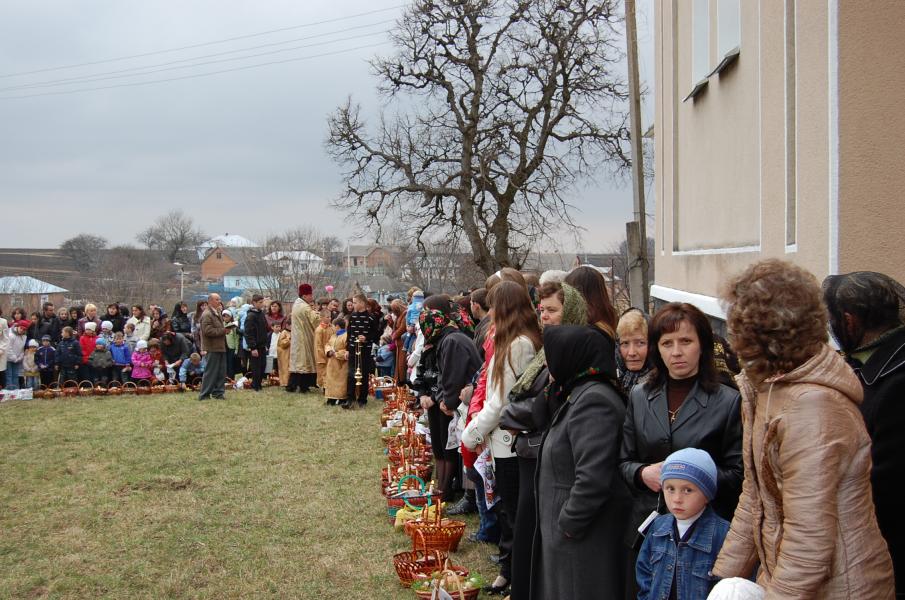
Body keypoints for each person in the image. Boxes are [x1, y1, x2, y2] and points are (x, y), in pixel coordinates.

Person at [714, 259, 895, 598]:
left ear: (758, 332)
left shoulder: (812, 406)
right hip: (793, 579)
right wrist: (722, 574)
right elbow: (755, 496)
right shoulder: (766, 389)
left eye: (736, 320)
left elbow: (809, 540)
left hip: (842, 588)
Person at [619, 302, 743, 600]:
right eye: (667, 343)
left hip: (703, 538)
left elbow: (739, 474)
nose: (676, 352)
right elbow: (623, 460)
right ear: (656, 349)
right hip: (647, 528)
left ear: (702, 344)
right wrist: (641, 472)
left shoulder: (727, 401)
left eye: (686, 341)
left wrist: (691, 480)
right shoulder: (640, 395)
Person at [498, 281, 588, 600]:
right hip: (529, 450)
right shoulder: (546, 352)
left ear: (571, 312)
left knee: (535, 535)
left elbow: (545, 406)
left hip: (544, 453)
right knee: (525, 531)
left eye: (552, 310)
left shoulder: (573, 355)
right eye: (542, 309)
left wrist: (513, 416)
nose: (545, 316)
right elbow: (524, 396)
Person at [529, 325, 632, 600]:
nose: (548, 364)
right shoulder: (578, 392)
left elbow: (593, 477)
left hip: (583, 539)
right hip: (571, 537)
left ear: (571, 356)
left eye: (552, 355)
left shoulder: (594, 401)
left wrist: (568, 523)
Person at [823, 271, 905, 595]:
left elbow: (885, 481)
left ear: (849, 320)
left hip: (888, 555)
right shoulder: (863, 365)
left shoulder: (896, 382)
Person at [462, 281, 542, 596]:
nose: (490, 311)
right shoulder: (511, 340)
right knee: (508, 509)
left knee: (512, 512)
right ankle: (509, 570)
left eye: (495, 305)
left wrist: (471, 433)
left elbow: (502, 401)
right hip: (501, 441)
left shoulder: (520, 344)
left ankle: (513, 574)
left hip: (509, 444)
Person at [635, 448, 731, 600]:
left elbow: (729, 587)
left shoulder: (724, 534)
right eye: (670, 489)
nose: (677, 498)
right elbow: (644, 571)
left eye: (687, 490)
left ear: (707, 494)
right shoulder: (657, 527)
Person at [415, 294, 481, 500]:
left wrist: (446, 400)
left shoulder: (452, 340)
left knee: (449, 446)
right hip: (448, 398)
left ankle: (447, 489)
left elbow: (452, 375)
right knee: (442, 445)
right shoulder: (446, 338)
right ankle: (443, 486)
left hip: (458, 401)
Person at [343, 293, 380, 408]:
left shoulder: (371, 317)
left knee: (363, 374)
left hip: (365, 350)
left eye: (354, 302)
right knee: (351, 374)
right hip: (354, 349)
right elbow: (349, 334)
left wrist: (366, 338)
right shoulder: (352, 317)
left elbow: (376, 334)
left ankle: (362, 399)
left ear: (362, 303)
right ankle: (350, 399)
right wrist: (348, 349)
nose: (353, 305)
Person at [285, 284, 320, 393]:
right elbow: (315, 320)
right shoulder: (305, 307)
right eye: (310, 295)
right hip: (304, 338)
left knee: (298, 364)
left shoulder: (296, 304)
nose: (311, 297)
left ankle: (294, 385)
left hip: (298, 337)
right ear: (304, 295)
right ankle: (302, 386)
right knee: (304, 364)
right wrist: (319, 313)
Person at [198, 294, 227, 400]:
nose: (219, 301)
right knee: (211, 372)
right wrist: (224, 331)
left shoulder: (217, 312)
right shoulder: (207, 314)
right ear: (210, 301)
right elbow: (207, 331)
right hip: (212, 347)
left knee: (221, 371)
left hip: (220, 346)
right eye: (217, 299)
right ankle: (204, 394)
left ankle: (218, 392)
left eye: (220, 299)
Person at [616, 308, 652, 395]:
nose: (632, 353)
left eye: (640, 343)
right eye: (625, 343)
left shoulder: (662, 385)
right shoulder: (612, 381)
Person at [243, 294, 269, 391]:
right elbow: (248, 332)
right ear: (254, 303)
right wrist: (252, 347)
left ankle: (259, 383)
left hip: (262, 345)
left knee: (263, 365)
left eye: (262, 302)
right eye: (260, 302)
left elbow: (264, 329)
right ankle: (255, 385)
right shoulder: (251, 316)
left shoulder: (261, 314)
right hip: (255, 346)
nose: (262, 304)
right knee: (256, 367)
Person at [324, 316, 348, 405]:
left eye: (333, 326)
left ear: (337, 326)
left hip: (341, 364)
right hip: (332, 363)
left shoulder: (346, 336)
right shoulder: (333, 336)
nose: (332, 328)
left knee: (341, 382)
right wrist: (329, 351)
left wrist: (337, 354)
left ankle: (342, 398)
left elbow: (347, 350)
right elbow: (328, 344)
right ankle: (331, 398)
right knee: (331, 380)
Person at [314, 309, 332, 390]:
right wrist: (322, 355)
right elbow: (318, 345)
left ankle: (328, 385)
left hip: (330, 353)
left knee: (329, 371)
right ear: (321, 318)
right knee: (323, 372)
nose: (329, 318)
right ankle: (324, 387)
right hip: (322, 355)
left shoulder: (332, 327)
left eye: (330, 317)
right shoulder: (319, 330)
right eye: (327, 317)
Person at [223, 311, 239, 380]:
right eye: (224, 316)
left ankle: (231, 378)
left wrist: (236, 349)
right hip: (223, 347)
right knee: (224, 364)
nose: (226, 318)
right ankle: (224, 378)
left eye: (227, 316)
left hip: (231, 347)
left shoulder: (233, 325)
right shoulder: (221, 325)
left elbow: (236, 338)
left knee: (231, 364)